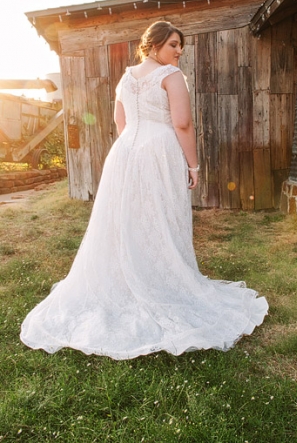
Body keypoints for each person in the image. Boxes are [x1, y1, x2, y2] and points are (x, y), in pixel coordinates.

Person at [21, 21, 268, 360]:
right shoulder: (171, 77)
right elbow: (182, 123)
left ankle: (132, 275)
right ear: (153, 46)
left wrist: (133, 144)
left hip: (124, 154)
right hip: (157, 151)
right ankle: (160, 279)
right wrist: (193, 165)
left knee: (127, 217)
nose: (179, 51)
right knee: (161, 215)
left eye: (180, 46)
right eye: (173, 45)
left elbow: (120, 123)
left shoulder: (125, 79)